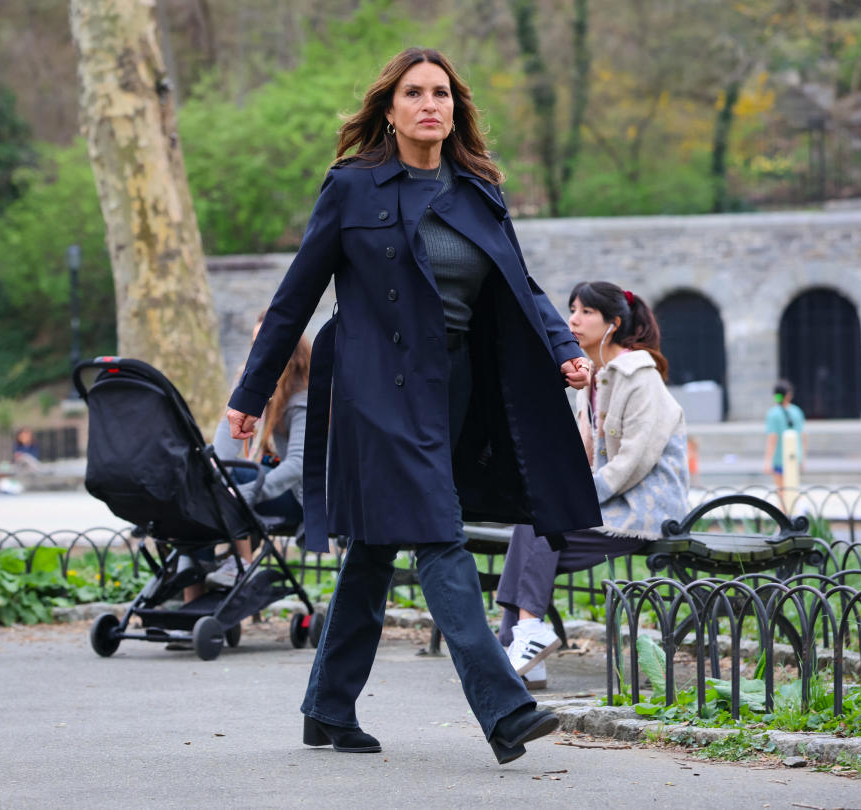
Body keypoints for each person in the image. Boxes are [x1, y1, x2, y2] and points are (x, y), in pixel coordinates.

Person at [224, 48, 600, 764]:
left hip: (454, 389)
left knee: (372, 549)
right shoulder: (352, 187)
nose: (432, 104)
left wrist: (562, 347)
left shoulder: (479, 190)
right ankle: (505, 707)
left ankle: (327, 708)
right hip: (375, 389)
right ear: (390, 110)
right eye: (415, 93)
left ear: (455, 109)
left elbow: (522, 285)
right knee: (437, 533)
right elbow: (293, 299)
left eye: (443, 94)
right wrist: (250, 392)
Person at [496, 281, 690, 689]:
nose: (572, 320)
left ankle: (520, 639)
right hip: (611, 502)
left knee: (544, 525)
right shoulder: (598, 378)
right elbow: (584, 454)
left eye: (586, 312)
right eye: (572, 309)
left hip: (646, 508)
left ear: (613, 324)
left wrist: (574, 498)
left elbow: (633, 462)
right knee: (533, 518)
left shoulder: (640, 375)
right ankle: (522, 641)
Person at [206, 334, 310, 589]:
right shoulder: (262, 389)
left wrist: (245, 493)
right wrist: (242, 396)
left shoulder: (303, 397)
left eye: (263, 345)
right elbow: (221, 456)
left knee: (237, 478)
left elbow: (297, 465)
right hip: (264, 488)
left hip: (302, 497)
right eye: (253, 346)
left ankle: (244, 565)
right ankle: (193, 596)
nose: (257, 354)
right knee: (207, 479)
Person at [763, 379, 806, 492]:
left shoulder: (773, 413)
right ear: (788, 395)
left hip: (779, 459)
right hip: (795, 457)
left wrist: (768, 461)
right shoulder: (797, 411)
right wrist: (803, 458)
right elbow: (803, 436)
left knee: (782, 492)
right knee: (792, 490)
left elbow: (772, 438)